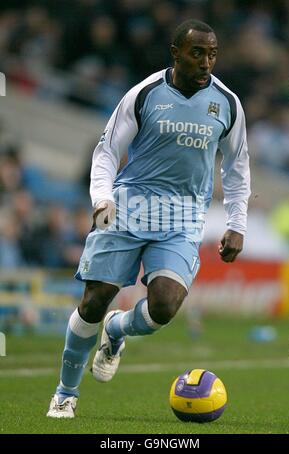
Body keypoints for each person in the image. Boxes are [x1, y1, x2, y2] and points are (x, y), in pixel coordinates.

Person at [47, 19, 251, 418]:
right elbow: (107, 151)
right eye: (197, 53)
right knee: (93, 303)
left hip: (183, 216)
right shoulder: (145, 94)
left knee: (165, 306)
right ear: (176, 54)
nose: (206, 62)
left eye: (212, 54)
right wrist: (101, 198)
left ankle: (117, 330)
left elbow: (237, 167)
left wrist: (237, 223)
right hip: (128, 207)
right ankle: (65, 393)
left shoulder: (227, 103)